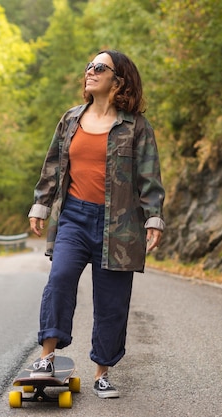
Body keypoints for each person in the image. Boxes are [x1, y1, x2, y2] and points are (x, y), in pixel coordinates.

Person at [27, 50, 165, 399]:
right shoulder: (71, 119)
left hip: (119, 225)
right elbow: (53, 164)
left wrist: (153, 217)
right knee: (59, 280)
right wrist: (41, 205)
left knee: (112, 300)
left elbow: (149, 176)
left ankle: (103, 371)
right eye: (89, 66)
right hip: (74, 216)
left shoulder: (136, 126)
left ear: (118, 81)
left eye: (99, 68)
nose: (90, 71)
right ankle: (46, 358)